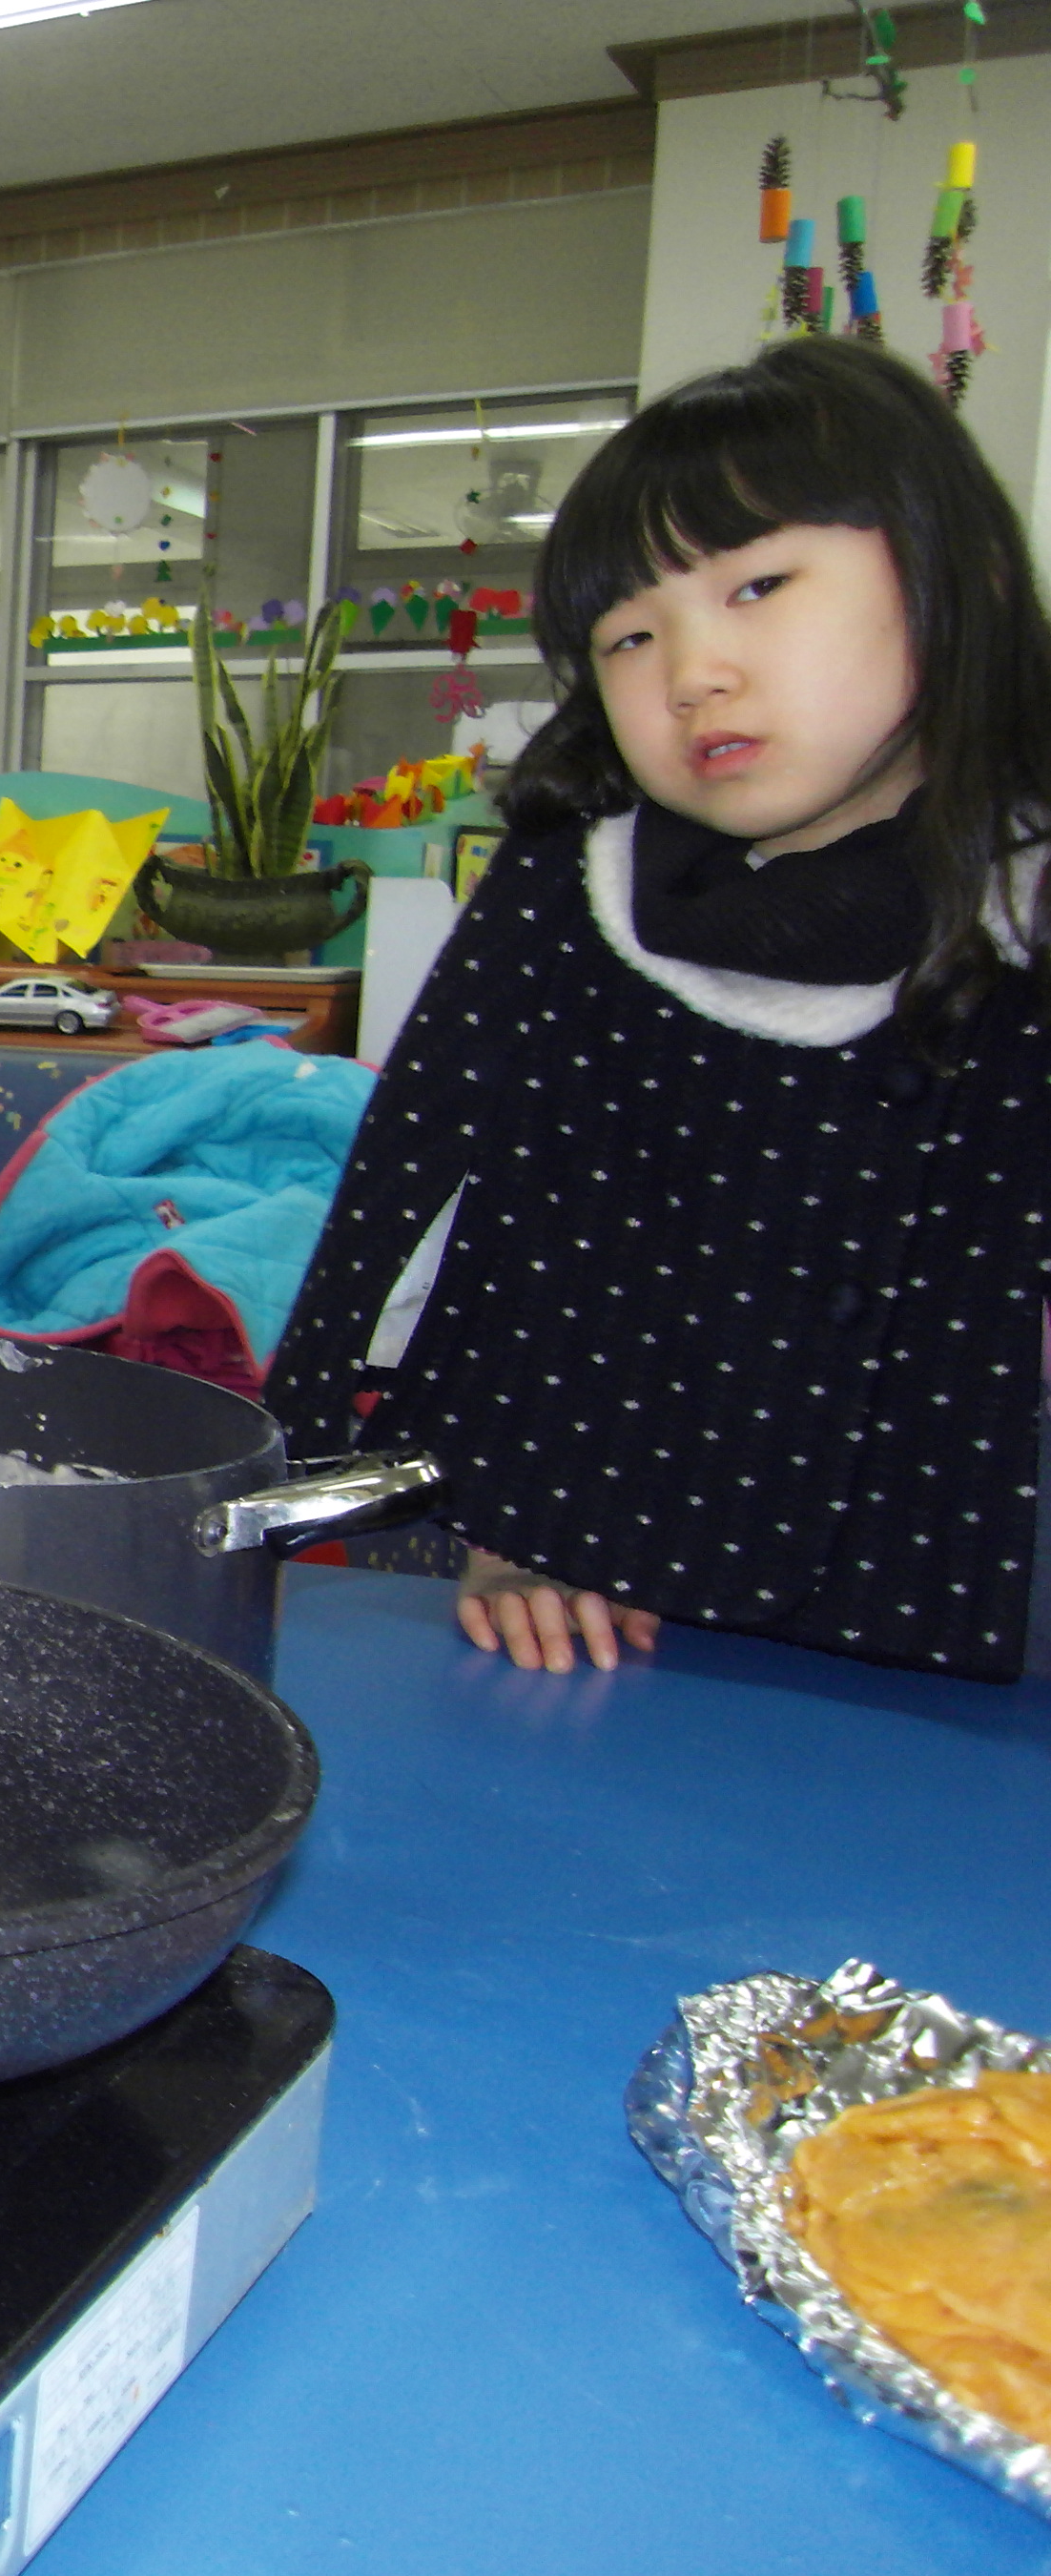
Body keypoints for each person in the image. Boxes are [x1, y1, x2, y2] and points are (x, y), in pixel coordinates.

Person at [265, 338, 1050, 1679]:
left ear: (954, 578)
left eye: (759, 586)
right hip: (625, 1616)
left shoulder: (1021, 908)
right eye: (629, 636)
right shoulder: (580, 895)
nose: (692, 673)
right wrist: (512, 1526)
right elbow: (467, 1230)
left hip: (975, 1616)